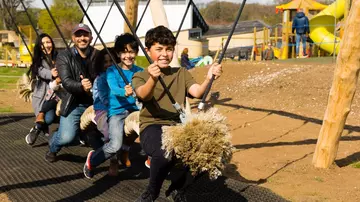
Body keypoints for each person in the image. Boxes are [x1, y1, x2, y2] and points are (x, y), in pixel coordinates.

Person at [132, 25, 222, 202]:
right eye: (159, 49)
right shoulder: (141, 75)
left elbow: (197, 92)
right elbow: (143, 94)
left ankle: (178, 189)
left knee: (206, 155)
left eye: (169, 49)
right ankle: (151, 193)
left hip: (177, 126)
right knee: (165, 151)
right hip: (152, 126)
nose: (165, 54)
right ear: (148, 51)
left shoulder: (181, 72)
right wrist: (153, 78)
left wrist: (209, 77)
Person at [83, 33, 143, 179]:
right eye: (124, 52)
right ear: (118, 53)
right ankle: (92, 160)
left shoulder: (140, 71)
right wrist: (125, 91)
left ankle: (140, 154)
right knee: (114, 144)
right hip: (117, 111)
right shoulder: (112, 71)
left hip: (133, 110)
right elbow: (114, 88)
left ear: (136, 52)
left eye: (131, 52)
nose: (128, 56)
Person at [45, 23, 98, 163]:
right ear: (73, 38)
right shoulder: (64, 57)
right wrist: (81, 86)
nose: (82, 38)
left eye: (85, 34)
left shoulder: (97, 55)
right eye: (78, 35)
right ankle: (53, 146)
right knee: (66, 137)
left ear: (91, 37)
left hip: (95, 102)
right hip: (74, 102)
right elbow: (66, 81)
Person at [25, 33, 58, 145]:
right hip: (44, 98)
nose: (46, 46)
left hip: (58, 96)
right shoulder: (38, 61)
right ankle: (37, 128)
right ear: (39, 47)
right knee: (48, 119)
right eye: (42, 44)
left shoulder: (59, 58)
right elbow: (41, 72)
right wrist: (51, 73)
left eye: (48, 42)